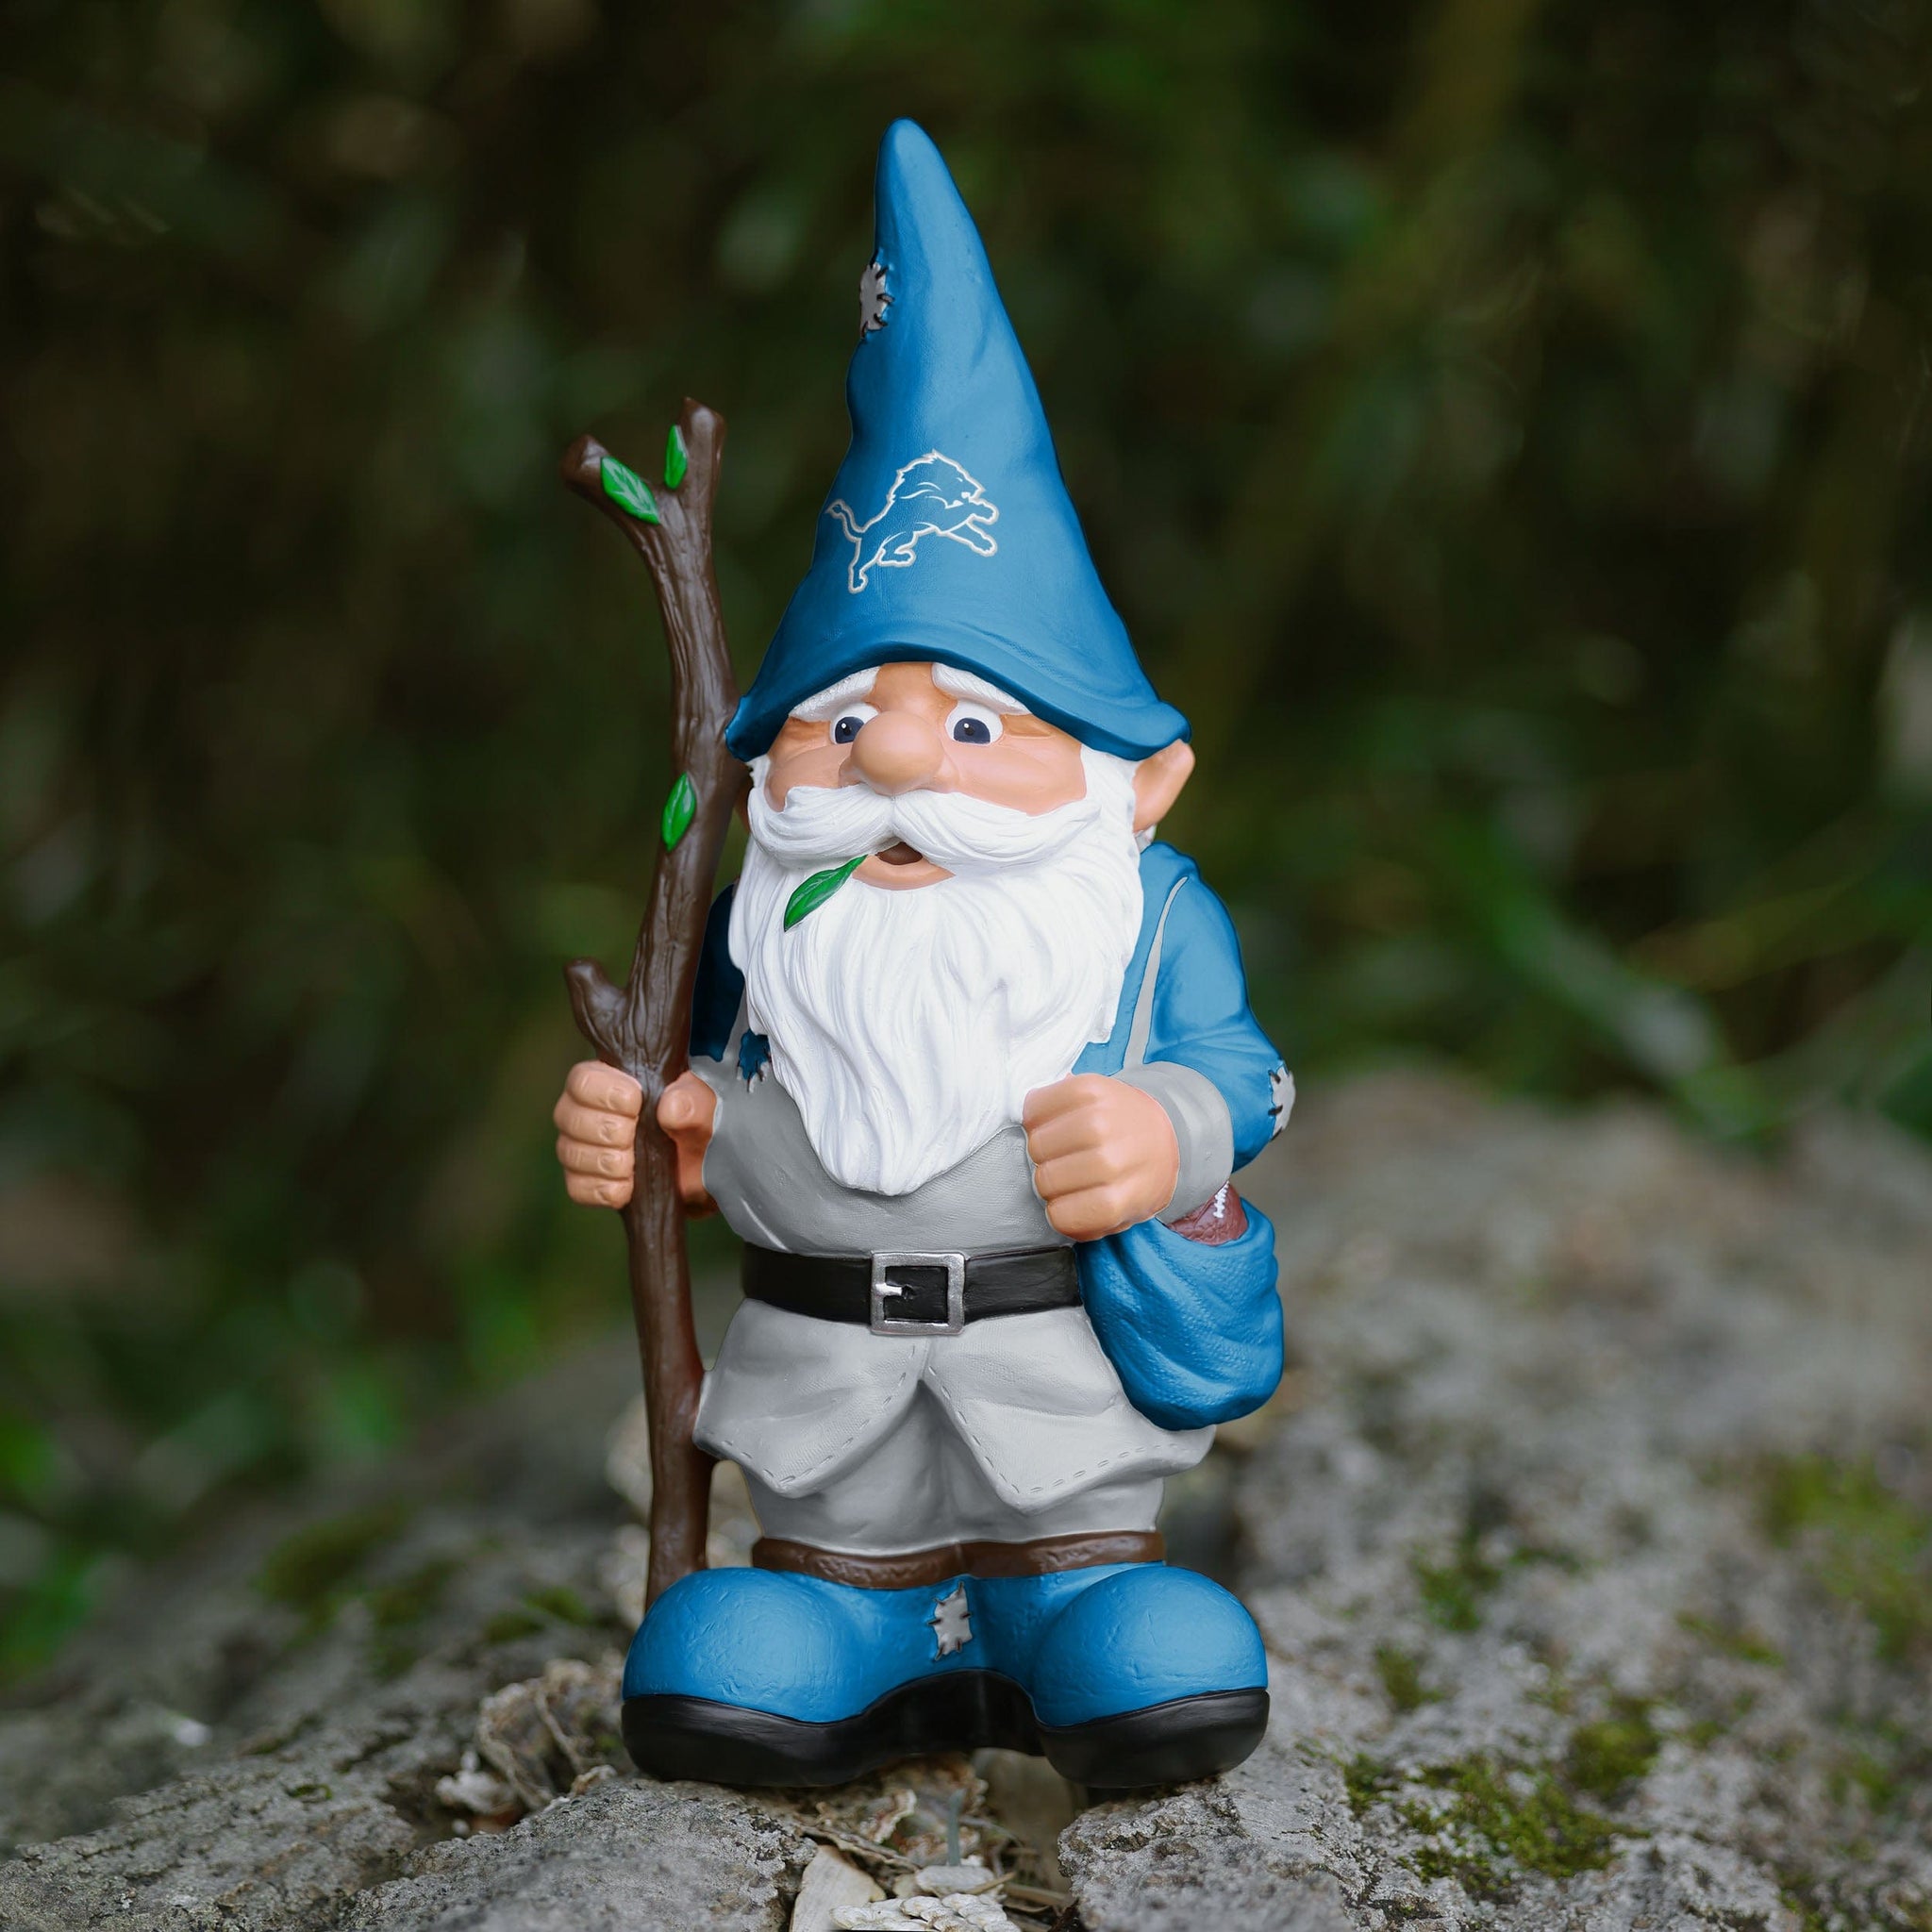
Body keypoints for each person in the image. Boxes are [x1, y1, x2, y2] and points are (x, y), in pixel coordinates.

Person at [552, 121, 1291, 1788]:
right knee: (758, 1633)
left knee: (1129, 1627)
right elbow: (707, 1087)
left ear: (1135, 786)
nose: (890, 761)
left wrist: (1167, 1124)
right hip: (823, 1413)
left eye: (968, 725)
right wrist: (652, 1138)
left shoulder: (1145, 915)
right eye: (838, 725)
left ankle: (1071, 1615)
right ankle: (848, 1628)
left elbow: (1248, 1077)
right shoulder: (768, 924)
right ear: (770, 774)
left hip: (1058, 1402)